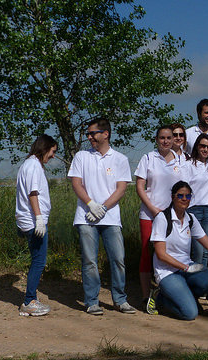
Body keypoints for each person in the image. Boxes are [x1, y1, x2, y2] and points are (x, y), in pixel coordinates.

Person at [148, 181, 208, 320]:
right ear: (173, 197)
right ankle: (160, 299)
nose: (184, 199)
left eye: (188, 196)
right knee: (190, 314)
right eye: (180, 196)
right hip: (167, 272)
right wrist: (185, 268)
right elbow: (161, 254)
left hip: (186, 267)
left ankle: (187, 296)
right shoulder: (163, 219)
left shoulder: (190, 218)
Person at [68, 117, 135, 315]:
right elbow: (76, 183)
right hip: (86, 217)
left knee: (118, 259)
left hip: (111, 218)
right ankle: (91, 301)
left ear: (106, 134)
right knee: (89, 261)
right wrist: (90, 204)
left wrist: (104, 208)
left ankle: (120, 299)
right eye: (88, 134)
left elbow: (121, 188)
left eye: (93, 133)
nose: (89, 137)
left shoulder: (120, 159)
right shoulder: (81, 156)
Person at [134, 125, 186, 309]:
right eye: (162, 138)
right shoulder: (148, 158)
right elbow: (140, 186)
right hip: (150, 215)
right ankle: (146, 295)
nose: (165, 141)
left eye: (169, 138)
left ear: (174, 139)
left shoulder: (181, 159)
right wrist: (153, 209)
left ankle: (168, 293)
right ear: (157, 139)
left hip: (173, 217)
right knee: (147, 253)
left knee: (170, 253)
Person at [15, 134, 58, 316]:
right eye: (53, 151)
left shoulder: (30, 164)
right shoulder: (33, 165)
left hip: (29, 220)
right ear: (45, 148)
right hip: (33, 222)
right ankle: (29, 301)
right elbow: (33, 193)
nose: (53, 156)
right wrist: (39, 219)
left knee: (36, 260)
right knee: (39, 261)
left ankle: (31, 299)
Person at [186, 133, 208, 266]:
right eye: (203, 146)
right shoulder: (189, 165)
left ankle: (203, 279)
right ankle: (195, 280)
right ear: (197, 147)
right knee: (197, 250)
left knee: (205, 250)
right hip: (194, 210)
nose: (205, 149)